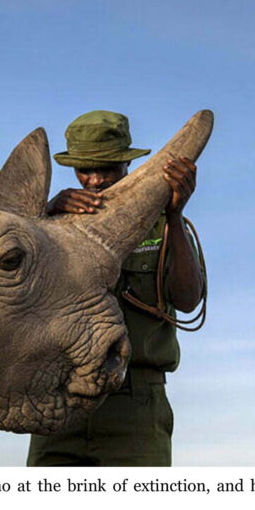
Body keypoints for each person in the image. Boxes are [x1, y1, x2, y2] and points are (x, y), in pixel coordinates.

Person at [27, 110, 206, 467]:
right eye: (84, 170)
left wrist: (172, 214)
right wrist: (43, 219)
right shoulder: (55, 223)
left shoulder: (164, 222)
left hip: (137, 405)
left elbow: (187, 301)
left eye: (106, 168)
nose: (94, 181)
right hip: (61, 398)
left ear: (126, 163)